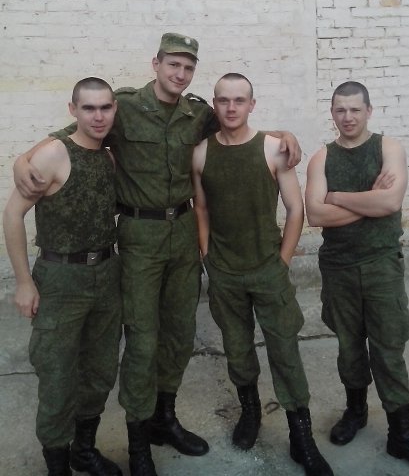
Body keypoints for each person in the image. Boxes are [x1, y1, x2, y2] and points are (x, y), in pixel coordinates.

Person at [13, 33, 301, 476]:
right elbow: (73, 135)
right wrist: (24, 160)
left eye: (188, 67)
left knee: (179, 333)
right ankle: (138, 439)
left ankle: (164, 418)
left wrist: (285, 134)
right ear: (156, 64)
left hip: (182, 232)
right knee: (143, 340)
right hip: (139, 235)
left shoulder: (197, 113)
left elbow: (237, 126)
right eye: (173, 65)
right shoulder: (123, 107)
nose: (179, 74)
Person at [191, 73, 334, 476]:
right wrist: (207, 254)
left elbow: (295, 209)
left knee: (285, 350)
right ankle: (250, 411)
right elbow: (201, 208)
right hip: (225, 272)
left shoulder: (273, 149)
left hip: (268, 268)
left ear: (252, 105)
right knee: (237, 348)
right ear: (215, 105)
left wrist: (282, 260)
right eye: (223, 100)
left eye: (240, 100)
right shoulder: (200, 154)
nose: (231, 107)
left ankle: (300, 436)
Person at [305, 81, 409, 476]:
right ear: (332, 113)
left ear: (369, 111)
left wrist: (337, 196)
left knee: (388, 349)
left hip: (382, 265)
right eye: (340, 110)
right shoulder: (321, 159)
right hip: (338, 267)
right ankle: (356, 411)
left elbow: (390, 201)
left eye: (355, 109)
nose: (347, 117)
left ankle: (402, 434)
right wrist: (369, 199)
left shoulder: (389, 149)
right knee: (349, 347)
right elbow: (315, 215)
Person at [3, 78, 122, 476]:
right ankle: (57, 464)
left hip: (106, 274)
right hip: (60, 279)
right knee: (57, 374)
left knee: (100, 370)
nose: (98, 116)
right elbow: (12, 214)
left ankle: (83, 450)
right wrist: (24, 282)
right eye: (89, 108)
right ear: (73, 110)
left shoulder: (109, 157)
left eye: (105, 107)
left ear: (114, 109)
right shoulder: (54, 153)